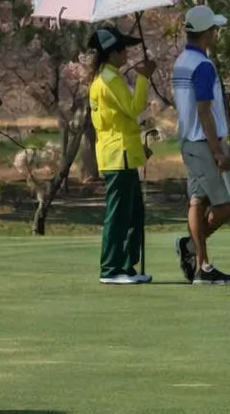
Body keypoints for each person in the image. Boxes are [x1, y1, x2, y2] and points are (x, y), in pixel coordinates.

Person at [172, 4, 230, 285]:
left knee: (197, 201)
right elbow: (204, 111)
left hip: (188, 141)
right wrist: (218, 151)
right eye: (214, 29)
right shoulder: (203, 66)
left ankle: (202, 267)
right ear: (205, 33)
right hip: (203, 143)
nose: (217, 33)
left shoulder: (181, 61)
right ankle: (190, 249)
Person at [87, 25, 155, 285]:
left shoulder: (104, 77)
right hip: (118, 154)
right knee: (119, 213)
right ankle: (111, 268)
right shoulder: (109, 80)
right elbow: (134, 108)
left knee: (133, 211)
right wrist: (143, 77)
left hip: (120, 151)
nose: (127, 52)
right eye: (123, 47)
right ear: (113, 52)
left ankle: (126, 265)